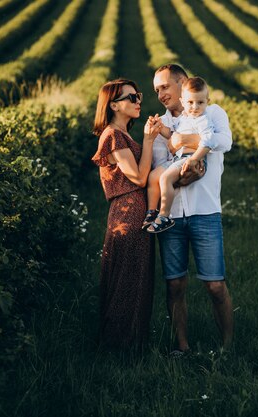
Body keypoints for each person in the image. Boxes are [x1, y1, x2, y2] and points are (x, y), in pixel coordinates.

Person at [151, 64, 234, 355]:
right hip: (172, 217)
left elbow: (225, 141)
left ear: (182, 83)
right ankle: (182, 346)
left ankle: (227, 346)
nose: (160, 94)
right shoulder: (160, 125)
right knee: (175, 284)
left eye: (165, 87)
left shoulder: (213, 112)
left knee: (215, 285)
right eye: (156, 90)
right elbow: (159, 168)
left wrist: (186, 141)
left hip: (205, 210)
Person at [91, 78, 161, 350]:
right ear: (114, 105)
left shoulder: (122, 134)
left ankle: (129, 345)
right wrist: (148, 139)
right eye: (132, 98)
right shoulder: (113, 135)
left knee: (135, 279)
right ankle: (119, 347)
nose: (139, 101)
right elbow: (139, 177)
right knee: (127, 281)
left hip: (132, 211)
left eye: (139, 96)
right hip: (127, 212)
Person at [143, 76, 213, 234]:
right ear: (183, 102)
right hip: (178, 159)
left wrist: (195, 159)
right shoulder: (184, 120)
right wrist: (160, 127)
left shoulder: (203, 120)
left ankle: (164, 216)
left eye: (200, 103)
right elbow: (172, 135)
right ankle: (151, 212)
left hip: (190, 158)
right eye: (190, 103)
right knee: (154, 176)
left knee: (165, 178)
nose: (195, 107)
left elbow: (209, 142)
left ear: (207, 101)